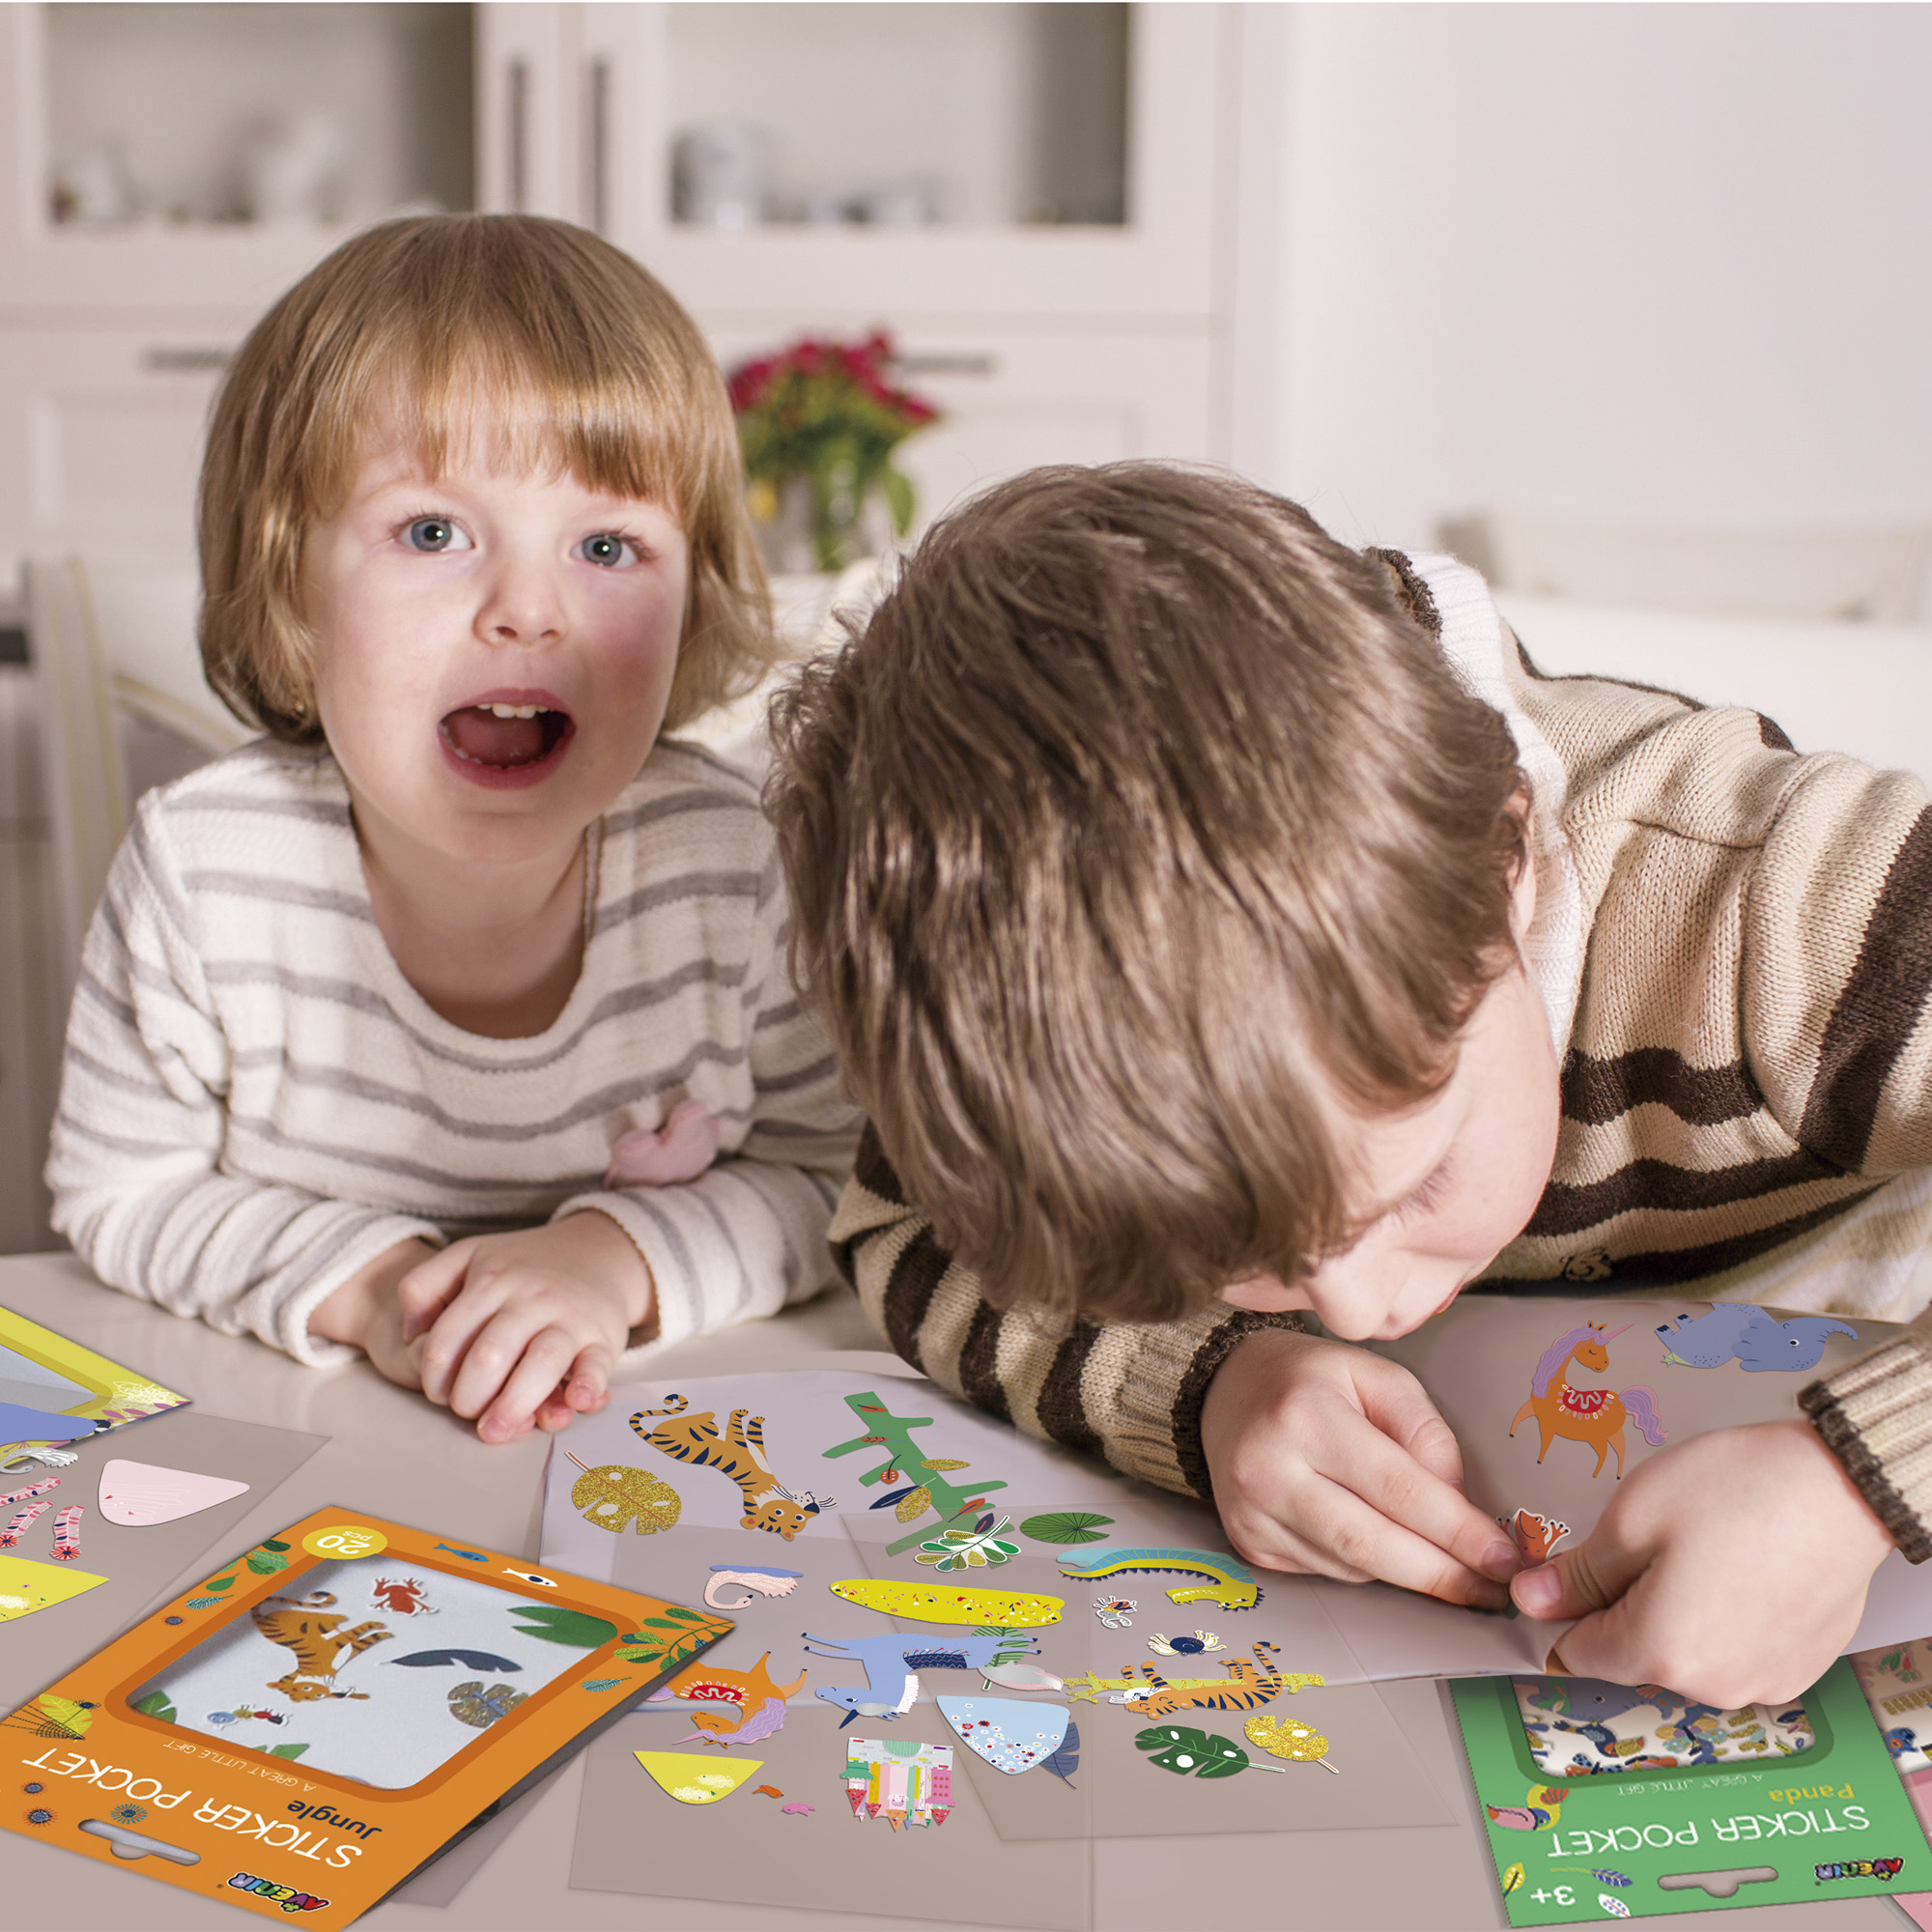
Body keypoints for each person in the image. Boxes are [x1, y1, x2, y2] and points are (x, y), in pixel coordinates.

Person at [765, 461, 1928, 1706]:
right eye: (1242, 1255)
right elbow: (905, 1232)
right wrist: (1207, 1378)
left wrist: (1854, 1477)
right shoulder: (1032, 1047)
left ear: (1508, 863)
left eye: (1416, 1178)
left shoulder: (1779, 901)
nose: (1368, 1306)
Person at [47, 214, 858, 1442]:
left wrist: (606, 1258)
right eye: (432, 532)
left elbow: (833, 1176)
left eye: (606, 545)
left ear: (690, 597)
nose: (527, 609)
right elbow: (121, 1188)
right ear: (288, 584)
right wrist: (385, 1293)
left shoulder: (736, 866)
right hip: (318, 1449)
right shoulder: (205, 868)